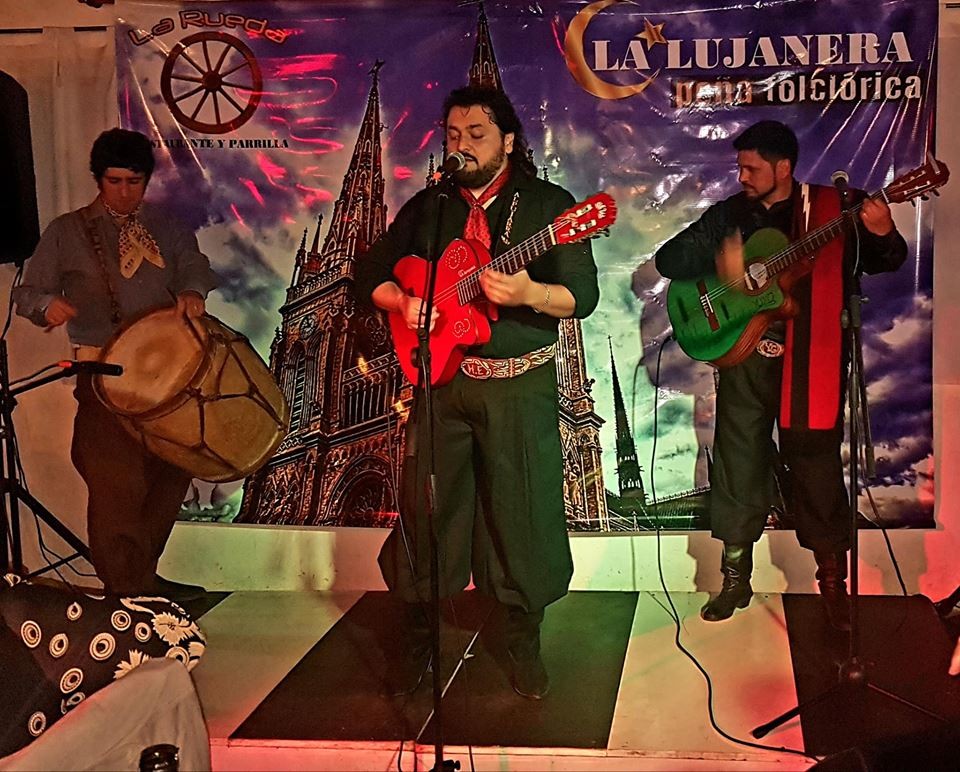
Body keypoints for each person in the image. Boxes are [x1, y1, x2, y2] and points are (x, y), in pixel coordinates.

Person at [355, 86, 599, 699]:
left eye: (476, 135)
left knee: (523, 515)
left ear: (508, 141)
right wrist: (402, 302)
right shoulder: (430, 205)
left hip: (518, 386)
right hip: (440, 385)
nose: (461, 146)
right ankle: (419, 637)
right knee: (427, 509)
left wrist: (529, 294)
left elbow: (583, 297)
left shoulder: (550, 206)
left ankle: (521, 639)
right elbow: (370, 273)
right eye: (453, 135)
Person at [654, 120, 907, 630]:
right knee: (738, 459)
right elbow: (669, 259)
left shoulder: (835, 208)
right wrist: (723, 261)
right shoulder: (731, 214)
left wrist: (881, 230)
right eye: (740, 167)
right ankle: (735, 579)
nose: (742, 176)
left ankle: (832, 586)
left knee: (815, 463)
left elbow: (887, 260)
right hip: (749, 355)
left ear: (784, 168)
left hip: (814, 353)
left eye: (752, 168)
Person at [14, 128, 219, 598]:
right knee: (116, 486)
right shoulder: (67, 231)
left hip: (168, 380)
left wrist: (192, 290)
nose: (125, 192)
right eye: (114, 181)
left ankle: (139, 578)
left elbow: (195, 264)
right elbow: (27, 293)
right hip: (103, 378)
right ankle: (127, 590)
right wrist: (47, 305)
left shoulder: (166, 227)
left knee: (171, 472)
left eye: (134, 182)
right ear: (98, 179)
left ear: (146, 180)